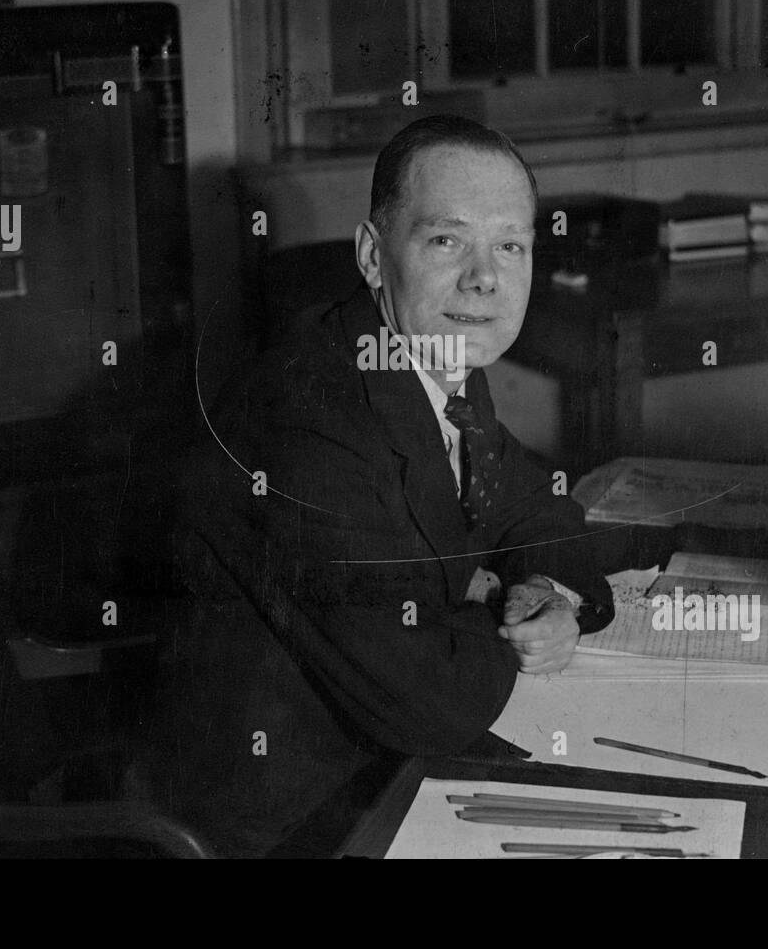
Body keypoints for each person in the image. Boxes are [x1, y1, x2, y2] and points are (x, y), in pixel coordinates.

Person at [135, 115, 613, 857]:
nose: (485, 278)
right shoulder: (304, 421)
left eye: (510, 245)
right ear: (372, 254)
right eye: (447, 239)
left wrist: (551, 589)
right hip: (286, 824)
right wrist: (513, 621)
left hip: (384, 768)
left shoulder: (436, 362)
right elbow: (430, 703)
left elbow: (539, 507)